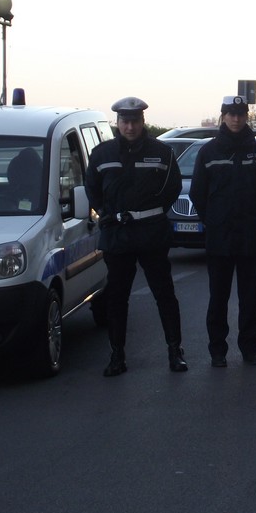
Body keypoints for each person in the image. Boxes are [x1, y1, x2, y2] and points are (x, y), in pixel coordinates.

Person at [85, 96, 186, 376]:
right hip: (118, 234)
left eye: (135, 121)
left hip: (151, 233)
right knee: (116, 298)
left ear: (143, 122)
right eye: (125, 121)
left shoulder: (162, 152)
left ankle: (175, 351)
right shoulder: (102, 154)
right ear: (117, 123)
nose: (130, 127)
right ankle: (117, 356)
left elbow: (172, 188)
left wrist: (151, 212)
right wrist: (107, 212)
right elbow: (92, 188)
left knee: (164, 294)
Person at [189, 95, 256, 367]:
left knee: (250, 299)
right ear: (222, 116)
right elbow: (198, 194)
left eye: (240, 114)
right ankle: (218, 351)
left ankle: (249, 350)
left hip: (250, 237)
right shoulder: (209, 152)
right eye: (231, 114)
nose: (236, 119)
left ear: (246, 116)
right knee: (218, 298)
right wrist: (214, 220)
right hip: (220, 238)